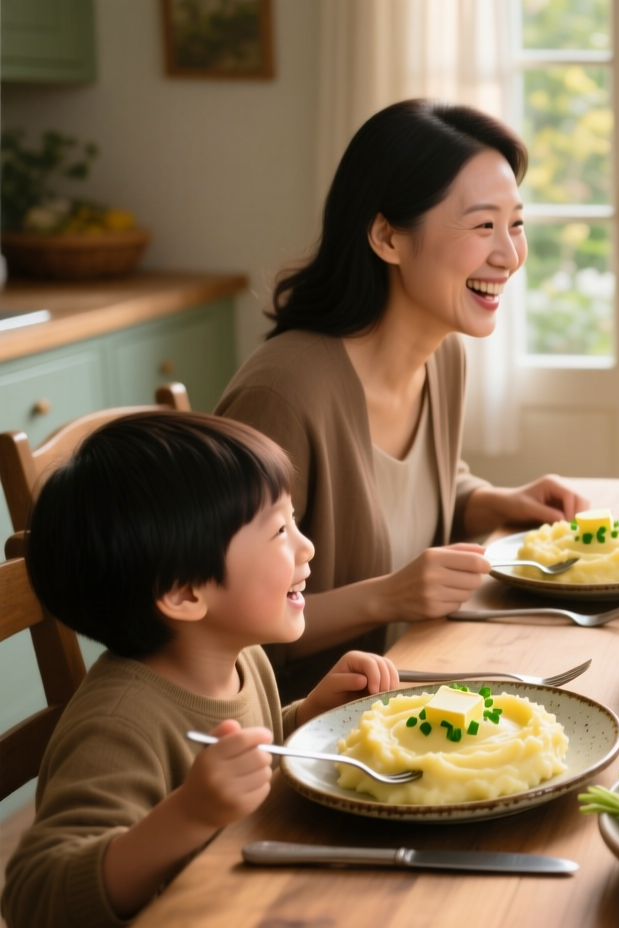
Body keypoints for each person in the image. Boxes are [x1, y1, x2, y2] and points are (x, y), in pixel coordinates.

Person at [218, 99, 588, 698]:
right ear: (388, 236)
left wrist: (492, 501)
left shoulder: (443, 356)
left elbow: (411, 495)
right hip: (309, 735)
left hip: (424, 684)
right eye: (482, 225)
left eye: (515, 224)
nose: (509, 254)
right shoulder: (284, 394)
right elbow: (223, 619)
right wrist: (388, 595)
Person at [1, 412, 401, 928]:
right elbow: (35, 898)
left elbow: (245, 759)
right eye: (280, 530)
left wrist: (309, 717)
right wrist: (188, 814)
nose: (307, 546)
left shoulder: (241, 656)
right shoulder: (118, 727)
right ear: (185, 593)